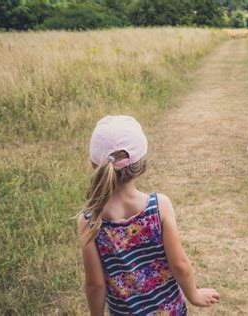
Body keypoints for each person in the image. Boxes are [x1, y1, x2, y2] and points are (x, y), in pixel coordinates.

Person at [76, 115, 220, 315]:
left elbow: (95, 285)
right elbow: (179, 265)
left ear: (94, 164)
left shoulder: (88, 220)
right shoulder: (159, 206)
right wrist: (193, 294)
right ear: (141, 164)